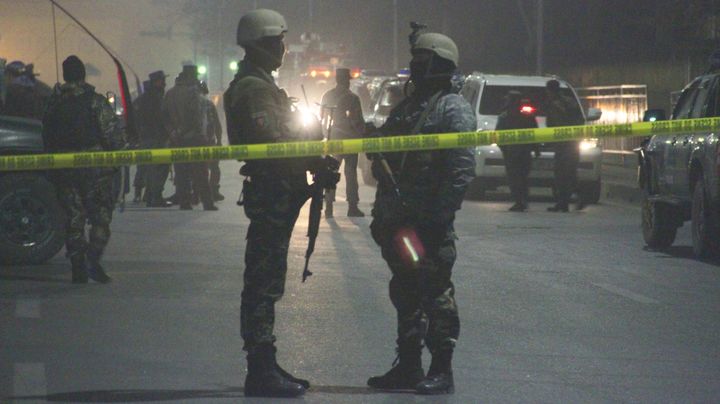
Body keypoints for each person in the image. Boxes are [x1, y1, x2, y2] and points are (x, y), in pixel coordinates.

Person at [224, 9, 337, 397]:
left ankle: (265, 364)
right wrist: (308, 151)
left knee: (268, 279)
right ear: (260, 45)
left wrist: (314, 160)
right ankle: (259, 370)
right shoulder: (253, 88)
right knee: (263, 282)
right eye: (277, 42)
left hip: (279, 191)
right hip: (271, 192)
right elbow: (273, 141)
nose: (284, 49)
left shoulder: (261, 84)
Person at [366, 32, 476, 395]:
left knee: (435, 292)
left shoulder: (452, 108)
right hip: (400, 224)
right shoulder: (410, 105)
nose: (415, 65)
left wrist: (438, 217)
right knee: (406, 290)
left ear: (440, 64)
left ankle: (441, 369)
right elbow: (388, 145)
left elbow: (459, 169)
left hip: (428, 224)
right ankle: (409, 366)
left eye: (422, 58)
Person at [42, 55, 125, 284]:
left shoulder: (53, 103)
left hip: (64, 168)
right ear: (83, 74)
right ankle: (92, 261)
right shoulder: (94, 101)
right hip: (94, 171)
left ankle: (78, 265)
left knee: (74, 218)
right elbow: (111, 134)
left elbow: (46, 135)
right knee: (100, 219)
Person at [162, 65, 217, 211]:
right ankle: (207, 202)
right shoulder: (193, 93)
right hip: (194, 138)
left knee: (181, 173)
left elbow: (164, 116)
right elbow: (195, 117)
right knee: (200, 172)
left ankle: (184, 202)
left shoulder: (170, 93)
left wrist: (173, 132)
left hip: (176, 139)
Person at [320, 67, 366, 218]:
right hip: (350, 139)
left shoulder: (327, 95)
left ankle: (329, 207)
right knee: (350, 173)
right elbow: (357, 120)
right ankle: (352, 207)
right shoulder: (352, 98)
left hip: (333, 138)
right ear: (347, 81)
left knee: (331, 171)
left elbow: (322, 120)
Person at [545, 79, 585, 212]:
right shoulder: (569, 102)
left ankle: (571, 199)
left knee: (564, 173)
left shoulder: (555, 104)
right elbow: (580, 120)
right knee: (566, 173)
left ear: (550, 91)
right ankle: (564, 202)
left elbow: (552, 124)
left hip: (565, 144)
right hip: (569, 143)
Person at [496, 91, 539, 212]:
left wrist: (504, 150)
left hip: (513, 153)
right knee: (522, 177)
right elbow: (535, 134)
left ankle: (519, 201)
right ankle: (522, 200)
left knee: (515, 178)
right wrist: (536, 149)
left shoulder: (505, 116)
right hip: (523, 152)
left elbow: (498, 135)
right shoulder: (527, 116)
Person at [136, 71, 172, 207]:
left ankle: (149, 195)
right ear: (156, 82)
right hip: (156, 137)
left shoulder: (143, 98)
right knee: (160, 167)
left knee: (151, 168)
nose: (164, 83)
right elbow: (162, 118)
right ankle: (155, 197)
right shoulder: (156, 98)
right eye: (162, 80)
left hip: (146, 136)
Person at [199, 81, 225, 202]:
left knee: (197, 168)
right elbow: (217, 124)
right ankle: (213, 191)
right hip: (210, 141)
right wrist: (219, 140)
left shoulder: (191, 104)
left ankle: (196, 192)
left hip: (195, 141)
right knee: (214, 167)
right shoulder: (209, 104)